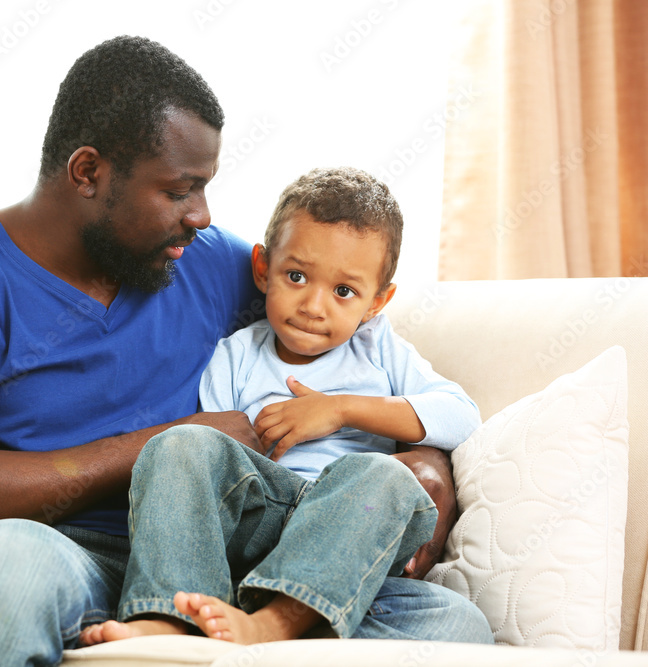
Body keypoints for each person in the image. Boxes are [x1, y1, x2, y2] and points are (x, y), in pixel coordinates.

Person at [0, 35, 485, 666]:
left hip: (231, 563)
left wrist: (427, 462)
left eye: (206, 188)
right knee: (6, 571)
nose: (202, 214)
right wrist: (165, 439)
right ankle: (170, 628)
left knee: (453, 625)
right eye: (179, 190)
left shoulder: (205, 261)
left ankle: (237, 629)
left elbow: (337, 328)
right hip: (60, 553)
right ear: (89, 172)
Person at [80, 167, 491, 646]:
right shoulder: (235, 355)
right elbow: (211, 470)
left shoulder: (379, 349)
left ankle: (274, 623)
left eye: (344, 291)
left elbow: (461, 416)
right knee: (180, 442)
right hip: (262, 527)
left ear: (377, 301)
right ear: (263, 268)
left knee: (457, 616)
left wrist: (340, 410)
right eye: (296, 276)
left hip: (350, 539)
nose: (314, 306)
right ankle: (175, 616)